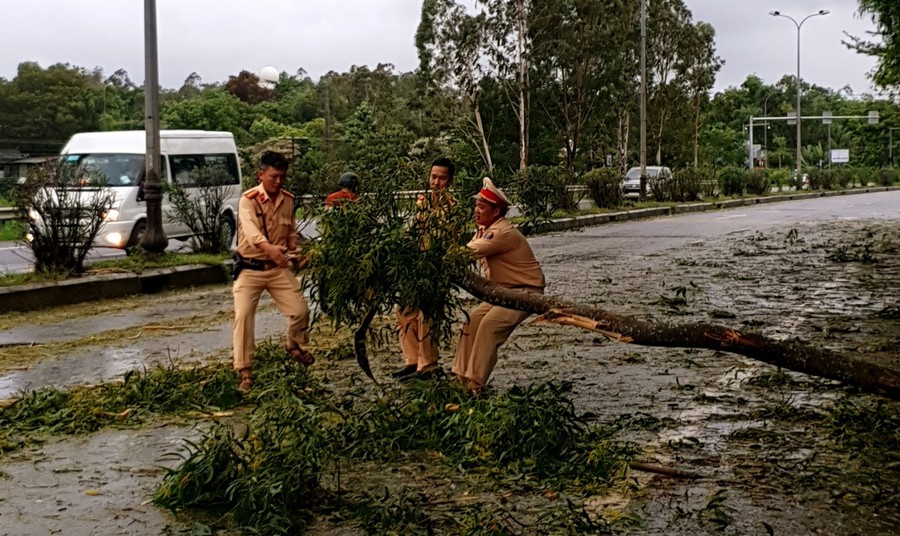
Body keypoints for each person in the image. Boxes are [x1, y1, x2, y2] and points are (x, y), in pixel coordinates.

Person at [451, 177, 545, 393]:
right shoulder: (484, 229)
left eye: (481, 207)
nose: (476, 210)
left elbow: (466, 253)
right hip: (502, 292)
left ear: (495, 212)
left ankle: (476, 384)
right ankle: (459, 378)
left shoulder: (500, 233)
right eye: (476, 205)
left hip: (525, 292)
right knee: (471, 321)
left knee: (489, 326)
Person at [232, 151, 313, 392]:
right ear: (261, 174)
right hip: (250, 268)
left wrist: (295, 250)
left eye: (282, 177)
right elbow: (251, 232)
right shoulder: (248, 200)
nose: (278, 182)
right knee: (244, 316)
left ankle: (293, 344)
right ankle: (245, 372)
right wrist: (270, 249)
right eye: (273, 176)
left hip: (278, 269)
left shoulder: (288, 199)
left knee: (301, 310)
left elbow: (290, 234)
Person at [393, 157, 457, 381]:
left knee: (429, 315)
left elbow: (442, 235)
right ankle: (412, 360)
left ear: (449, 181)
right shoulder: (422, 200)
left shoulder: (451, 206)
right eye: (433, 177)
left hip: (436, 266)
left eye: (441, 178)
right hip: (416, 265)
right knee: (404, 309)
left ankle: (428, 365)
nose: (436, 182)